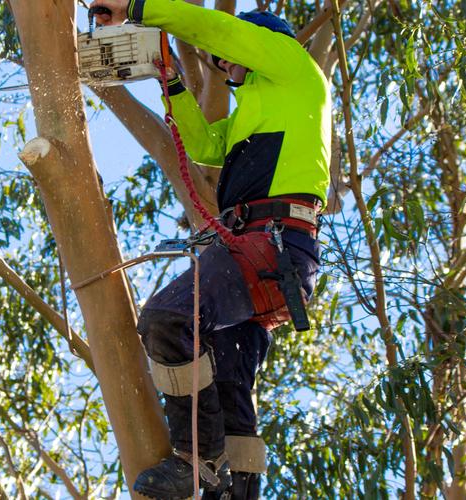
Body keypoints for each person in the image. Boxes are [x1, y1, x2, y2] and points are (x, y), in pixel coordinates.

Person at [88, 0, 331, 498]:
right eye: (221, 64)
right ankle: (234, 489)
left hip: (272, 244)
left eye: (230, 58)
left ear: (263, 44)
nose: (225, 67)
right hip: (269, 259)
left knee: (169, 318)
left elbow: (216, 28)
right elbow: (201, 146)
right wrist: (172, 79)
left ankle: (195, 461)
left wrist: (136, 8)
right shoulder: (253, 116)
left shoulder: (293, 68)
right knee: (227, 381)